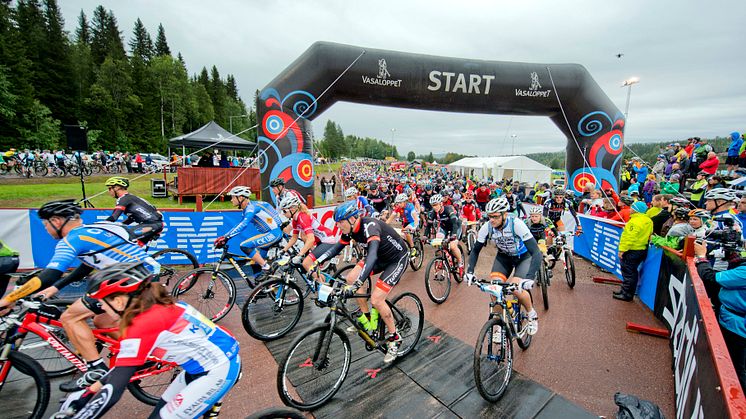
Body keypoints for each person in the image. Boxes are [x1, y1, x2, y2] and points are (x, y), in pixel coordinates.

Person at [0, 200, 160, 392]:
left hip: (130, 280)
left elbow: (50, 274)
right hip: (141, 276)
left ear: (57, 221)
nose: (46, 229)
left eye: (45, 224)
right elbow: (86, 266)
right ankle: (143, 356)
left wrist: (9, 299)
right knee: (102, 322)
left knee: (70, 317)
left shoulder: (72, 239)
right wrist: (56, 288)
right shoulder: (92, 230)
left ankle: (96, 369)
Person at [54, 262, 240, 418]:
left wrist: (82, 413)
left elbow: (115, 389)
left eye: (102, 302)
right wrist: (85, 397)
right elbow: (118, 373)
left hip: (217, 370)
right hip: (206, 365)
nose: (100, 307)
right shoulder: (154, 306)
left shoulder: (143, 324)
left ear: (119, 301)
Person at [317, 201, 410, 363]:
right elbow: (337, 248)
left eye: (340, 222)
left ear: (353, 219)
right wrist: (318, 261)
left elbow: (372, 256)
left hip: (396, 259)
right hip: (380, 257)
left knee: (376, 299)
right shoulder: (350, 229)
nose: (338, 226)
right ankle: (367, 318)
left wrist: (359, 283)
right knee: (350, 277)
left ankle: (395, 338)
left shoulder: (370, 227)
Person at [464, 197, 541, 334]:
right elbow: (475, 250)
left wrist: (529, 277)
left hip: (523, 257)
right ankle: (499, 325)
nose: (491, 220)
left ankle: (531, 314)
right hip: (504, 257)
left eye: (495, 216)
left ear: (505, 214)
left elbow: (535, 251)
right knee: (495, 289)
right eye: (489, 217)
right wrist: (470, 271)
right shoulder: (487, 227)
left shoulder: (516, 224)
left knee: (516, 288)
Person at [693, 241, 745, 391]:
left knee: (735, 368)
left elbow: (710, 277)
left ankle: (734, 402)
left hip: (736, 325)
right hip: (733, 318)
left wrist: (702, 257)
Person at [213, 186, 283, 279]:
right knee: (255, 263)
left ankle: (267, 268)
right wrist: (225, 236)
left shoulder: (251, 208)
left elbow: (244, 224)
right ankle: (263, 289)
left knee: (245, 245)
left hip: (273, 233)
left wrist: (227, 238)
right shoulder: (249, 207)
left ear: (241, 197)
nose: (231, 200)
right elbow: (239, 224)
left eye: (233, 197)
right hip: (270, 233)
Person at [278, 194, 338, 279]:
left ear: (292, 209)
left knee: (306, 263)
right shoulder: (295, 220)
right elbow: (294, 238)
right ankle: (319, 278)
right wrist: (284, 250)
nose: (283, 214)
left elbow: (310, 239)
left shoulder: (303, 217)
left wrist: (300, 254)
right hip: (320, 241)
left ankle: (322, 284)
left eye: (284, 211)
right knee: (310, 265)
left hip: (327, 240)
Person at [104, 177, 163, 243]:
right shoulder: (131, 197)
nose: (109, 191)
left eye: (110, 188)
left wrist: (101, 224)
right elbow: (133, 217)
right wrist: (121, 224)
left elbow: (114, 217)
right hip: (154, 224)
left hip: (151, 225)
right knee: (133, 247)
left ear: (117, 188)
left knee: (124, 238)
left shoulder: (124, 199)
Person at [614, 201, 653, 301]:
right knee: (631, 272)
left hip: (632, 250)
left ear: (636, 210)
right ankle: (625, 291)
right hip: (641, 249)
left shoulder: (635, 222)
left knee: (629, 272)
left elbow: (629, 237)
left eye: (632, 208)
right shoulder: (648, 220)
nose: (630, 209)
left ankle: (627, 294)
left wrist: (622, 250)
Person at [426, 194, 464, 277]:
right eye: (433, 205)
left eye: (436, 205)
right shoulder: (433, 213)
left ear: (441, 204)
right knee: (438, 241)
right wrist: (425, 236)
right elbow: (428, 225)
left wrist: (453, 235)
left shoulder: (448, 209)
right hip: (444, 227)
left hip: (456, 227)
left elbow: (454, 223)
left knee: (453, 246)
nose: (434, 207)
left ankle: (460, 264)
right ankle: (442, 260)